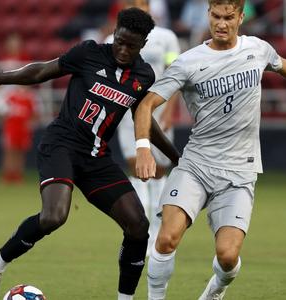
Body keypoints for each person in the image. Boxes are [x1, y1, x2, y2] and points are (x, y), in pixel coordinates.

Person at [133, 1, 286, 299]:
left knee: (228, 257)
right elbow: (146, 104)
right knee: (166, 238)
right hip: (197, 165)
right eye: (216, 16)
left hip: (240, 171)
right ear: (208, 15)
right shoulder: (188, 61)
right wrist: (143, 149)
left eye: (229, 17)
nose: (221, 23)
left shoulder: (257, 49)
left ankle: (213, 293)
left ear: (241, 17)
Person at [0, 8, 179, 300]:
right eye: (119, 41)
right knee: (54, 216)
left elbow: (144, 120)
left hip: (96, 157)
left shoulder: (143, 75)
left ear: (143, 44)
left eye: (131, 45)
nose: (123, 49)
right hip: (61, 144)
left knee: (138, 226)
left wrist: (176, 157)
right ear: (115, 32)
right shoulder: (89, 53)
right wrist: (4, 77)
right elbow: (43, 70)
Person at [105, 0, 181, 255]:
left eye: (142, 2)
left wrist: (170, 110)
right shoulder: (112, 38)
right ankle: (142, 232)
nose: (139, 5)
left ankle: (159, 231)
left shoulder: (166, 37)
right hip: (127, 112)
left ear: (149, 6)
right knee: (136, 169)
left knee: (159, 172)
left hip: (157, 110)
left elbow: (174, 73)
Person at [0, 85, 38, 184]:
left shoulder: (30, 98)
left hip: (23, 129)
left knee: (20, 153)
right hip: (10, 128)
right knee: (9, 151)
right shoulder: (11, 96)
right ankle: (7, 175)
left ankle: (18, 176)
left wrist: (30, 124)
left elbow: (35, 114)